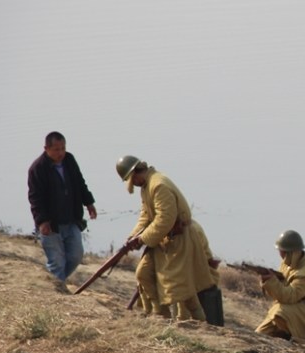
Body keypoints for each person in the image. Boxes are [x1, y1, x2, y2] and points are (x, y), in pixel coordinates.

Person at [116, 155, 216, 320]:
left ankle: (202, 324)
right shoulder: (147, 187)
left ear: (135, 173)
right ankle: (161, 314)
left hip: (178, 241)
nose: (132, 183)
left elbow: (165, 220)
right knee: (143, 273)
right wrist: (133, 236)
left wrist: (142, 239)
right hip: (160, 241)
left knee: (184, 291)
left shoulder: (159, 185)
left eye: (131, 179)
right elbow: (146, 216)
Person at [27, 131, 96, 284]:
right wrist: (42, 221)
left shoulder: (69, 160)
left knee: (76, 255)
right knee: (56, 262)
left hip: (71, 219)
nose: (61, 153)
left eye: (63, 148)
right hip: (51, 224)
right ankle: (58, 291)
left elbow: (80, 182)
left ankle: (57, 283)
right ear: (46, 148)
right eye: (57, 149)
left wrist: (89, 203)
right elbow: (35, 198)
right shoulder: (37, 168)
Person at [255, 230, 305, 342]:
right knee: (259, 335)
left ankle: (288, 335)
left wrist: (271, 281)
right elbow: (282, 283)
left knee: (280, 313)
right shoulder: (289, 261)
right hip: (293, 307)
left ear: (289, 252)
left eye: (281, 251)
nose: (279, 254)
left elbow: (289, 296)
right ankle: (282, 333)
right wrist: (268, 279)